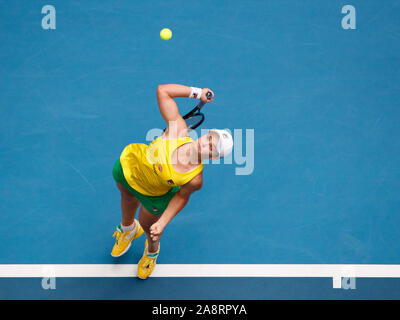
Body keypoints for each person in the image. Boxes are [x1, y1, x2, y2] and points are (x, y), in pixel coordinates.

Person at [111, 84, 233, 279]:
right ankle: (128, 229)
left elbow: (181, 198)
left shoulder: (195, 179)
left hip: (154, 196)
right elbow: (163, 91)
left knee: (150, 229)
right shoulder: (178, 130)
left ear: (215, 158)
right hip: (131, 168)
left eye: (212, 149)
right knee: (126, 198)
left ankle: (152, 251)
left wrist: (164, 222)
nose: (205, 145)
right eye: (209, 139)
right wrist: (197, 93)